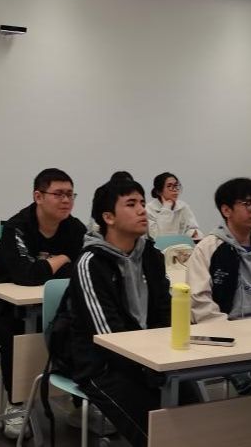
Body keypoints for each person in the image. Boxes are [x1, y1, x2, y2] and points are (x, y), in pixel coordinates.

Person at [0, 168, 87, 439]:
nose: (66, 200)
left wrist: (48, 267)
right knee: (18, 336)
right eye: (58, 194)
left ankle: (80, 404)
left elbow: (83, 268)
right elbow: (25, 275)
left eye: (70, 194)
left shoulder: (74, 228)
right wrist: (62, 259)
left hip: (50, 304)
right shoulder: (17, 227)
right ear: (38, 196)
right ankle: (16, 405)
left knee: (80, 329)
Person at [59, 178, 170, 447]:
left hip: (152, 359)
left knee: (200, 416)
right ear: (108, 217)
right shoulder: (91, 263)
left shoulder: (152, 256)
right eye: (131, 204)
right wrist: (148, 366)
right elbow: (108, 336)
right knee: (160, 434)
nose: (142, 210)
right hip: (103, 366)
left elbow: (164, 311)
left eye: (142, 202)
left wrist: (164, 359)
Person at [187, 178, 251, 323]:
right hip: (223, 327)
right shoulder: (207, 249)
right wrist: (228, 329)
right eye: (248, 203)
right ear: (226, 210)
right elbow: (199, 300)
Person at [146, 172, 202, 239]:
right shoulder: (149, 209)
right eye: (169, 186)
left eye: (176, 185)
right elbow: (159, 237)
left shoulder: (183, 206)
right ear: (159, 192)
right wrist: (166, 208)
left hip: (183, 244)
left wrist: (193, 233)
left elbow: (193, 228)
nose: (175, 189)